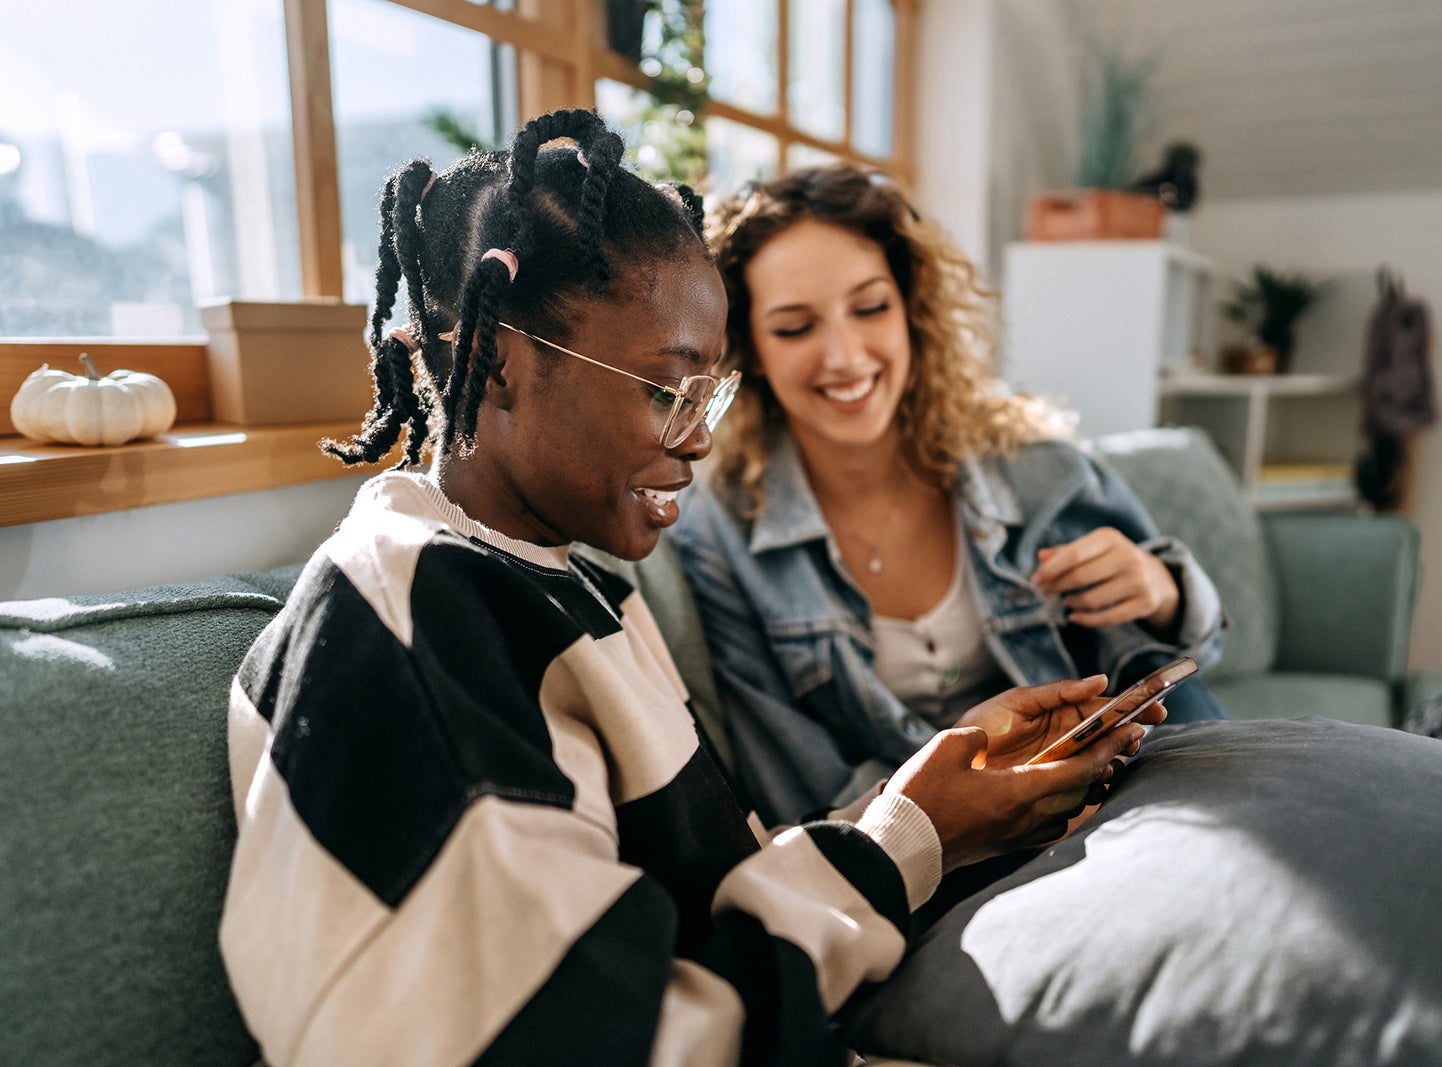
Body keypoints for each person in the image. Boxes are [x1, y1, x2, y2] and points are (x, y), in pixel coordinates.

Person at [217, 111, 1157, 1066]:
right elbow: (597, 1037)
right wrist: (913, 833)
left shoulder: (573, 588)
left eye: (709, 394)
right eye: (667, 391)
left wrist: (935, 816)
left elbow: (713, 905)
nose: (700, 438)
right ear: (496, 361)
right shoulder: (408, 616)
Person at [671, 164, 1229, 828]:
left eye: (871, 307)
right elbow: (801, 787)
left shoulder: (1040, 469)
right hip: (940, 854)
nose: (845, 356)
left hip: (1132, 800)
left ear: (911, 308)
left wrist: (1163, 591)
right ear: (752, 348)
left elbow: (1175, 675)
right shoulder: (718, 538)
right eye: (796, 327)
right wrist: (993, 813)